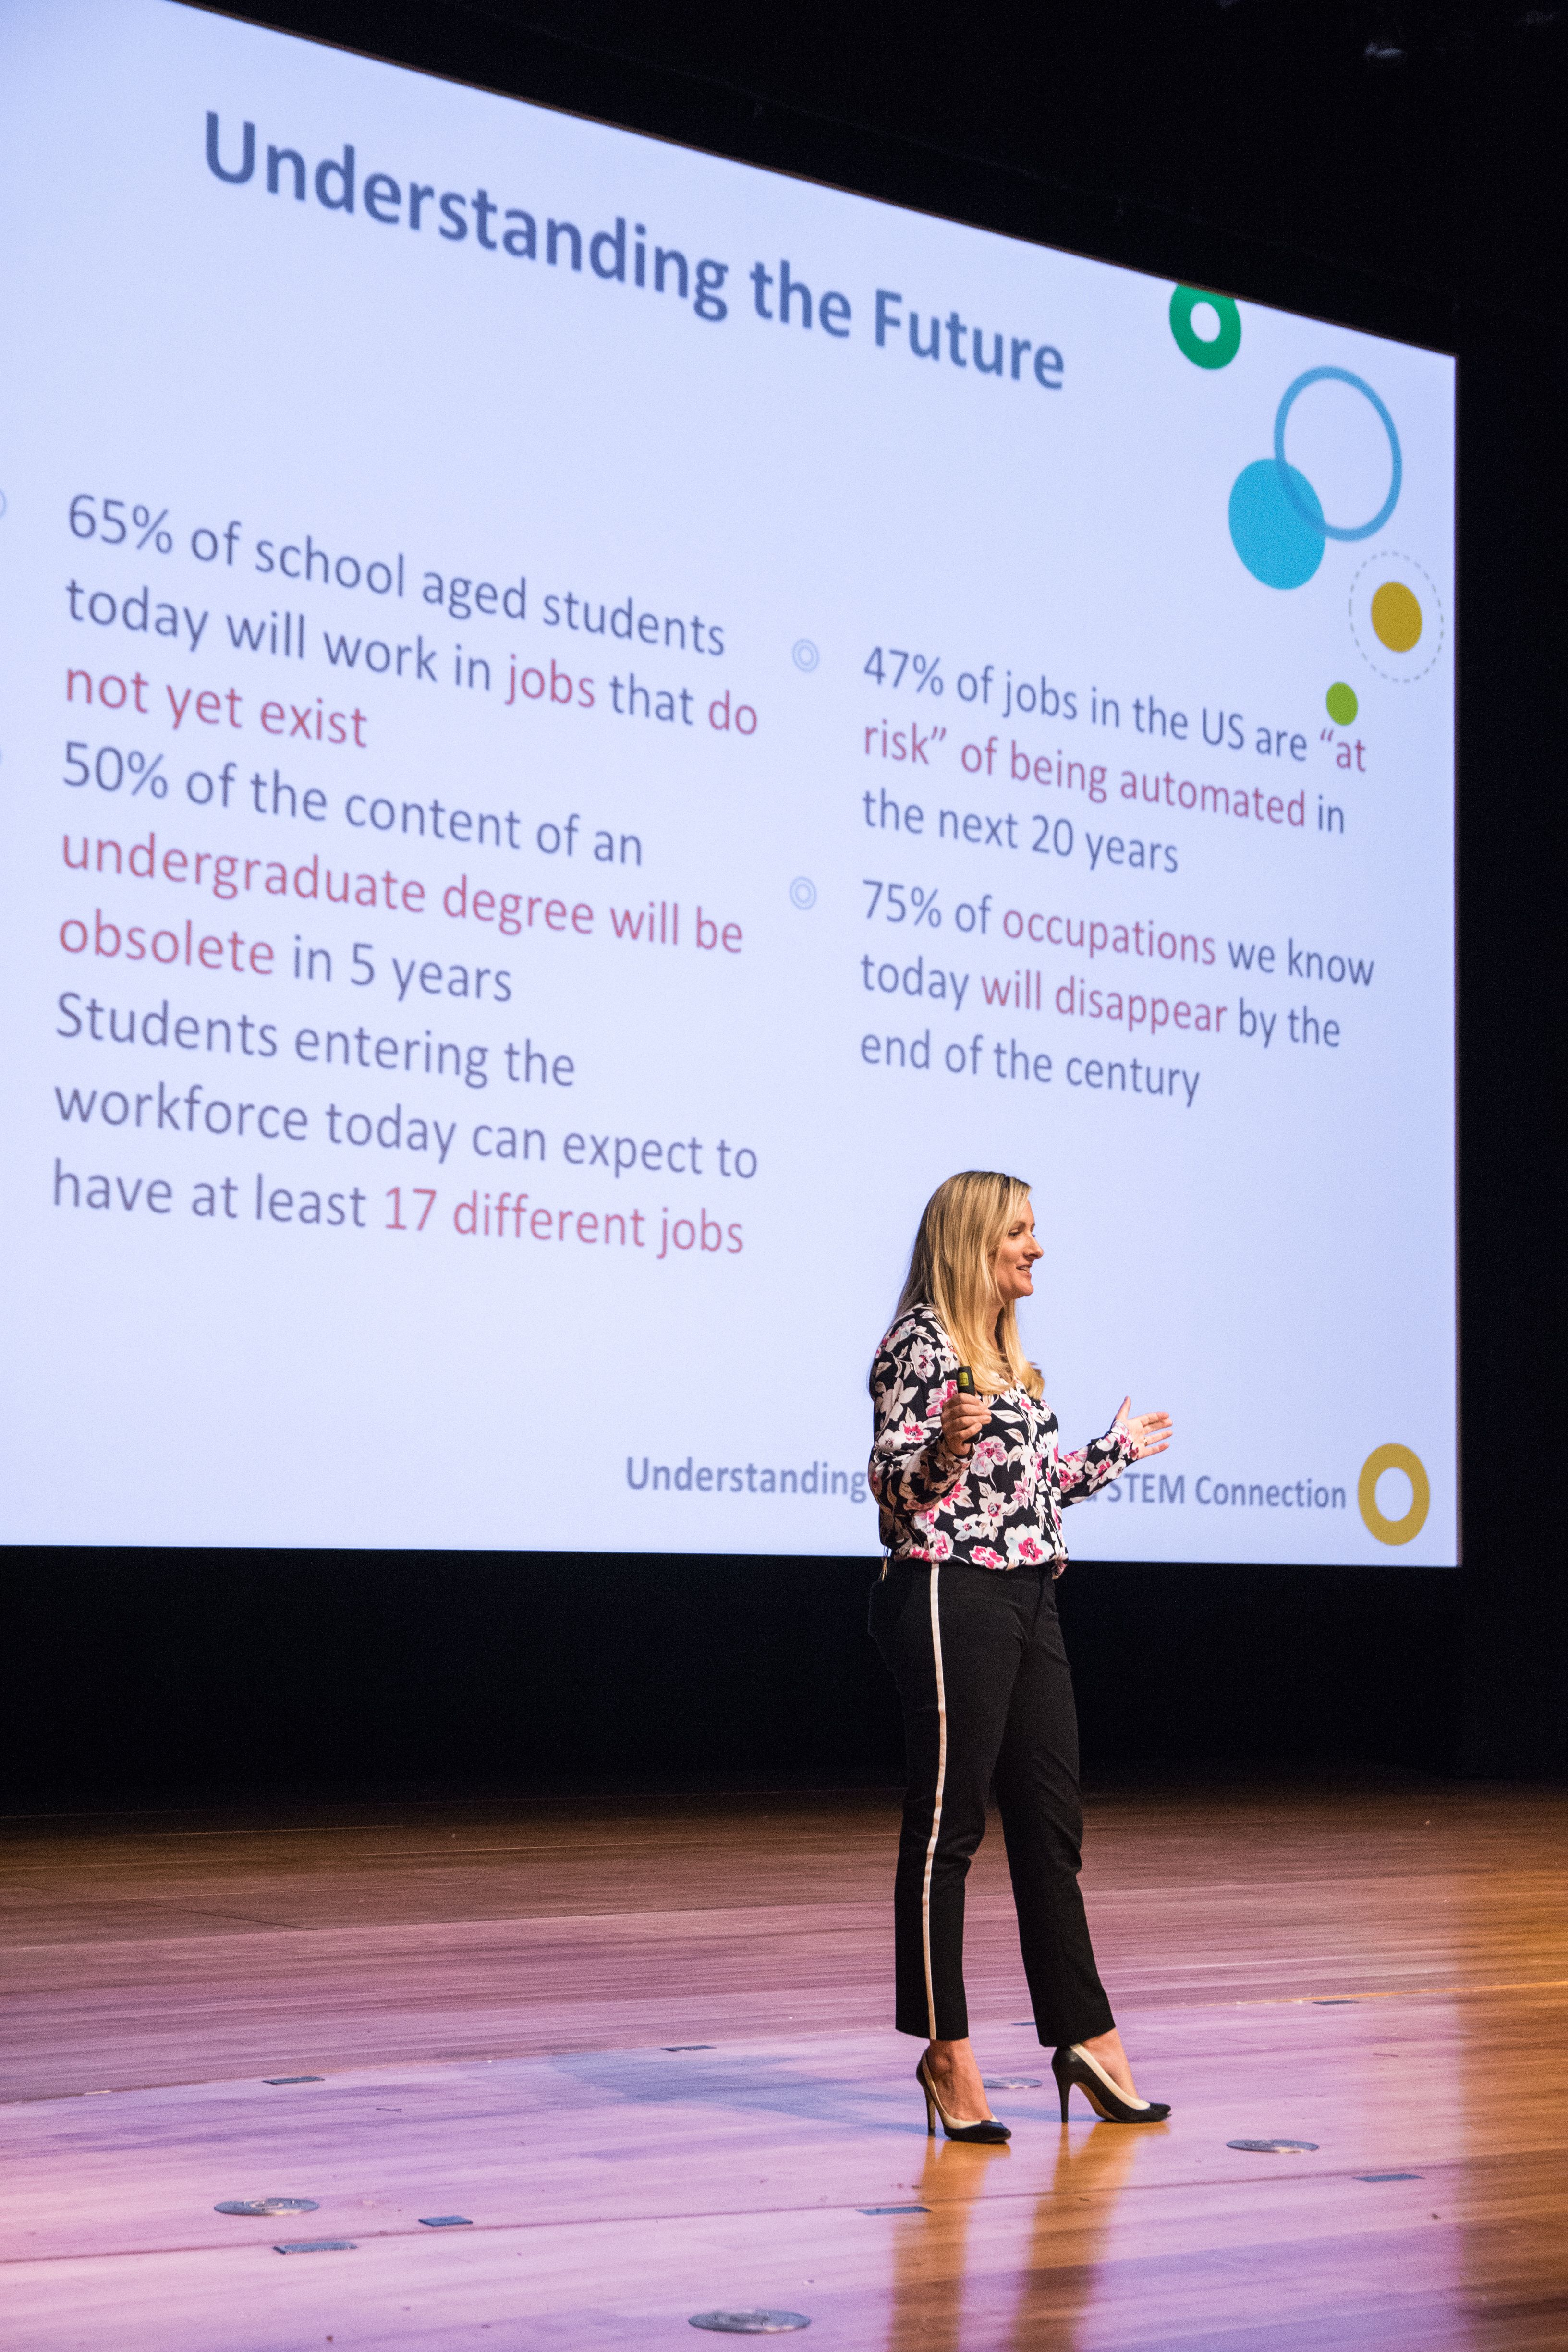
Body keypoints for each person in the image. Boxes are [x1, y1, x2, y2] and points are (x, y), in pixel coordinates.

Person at [867, 1169, 1173, 2140]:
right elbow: (891, 1478)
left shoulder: (1004, 1354)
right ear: (974, 1241)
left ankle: (1085, 2036)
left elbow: (1032, 1491)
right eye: (1020, 1231)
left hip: (1031, 1593)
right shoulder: (922, 1342)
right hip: (949, 1591)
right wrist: (943, 1454)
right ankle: (945, 2051)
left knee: (1051, 1827)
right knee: (948, 1829)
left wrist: (1113, 1450)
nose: (1035, 1247)